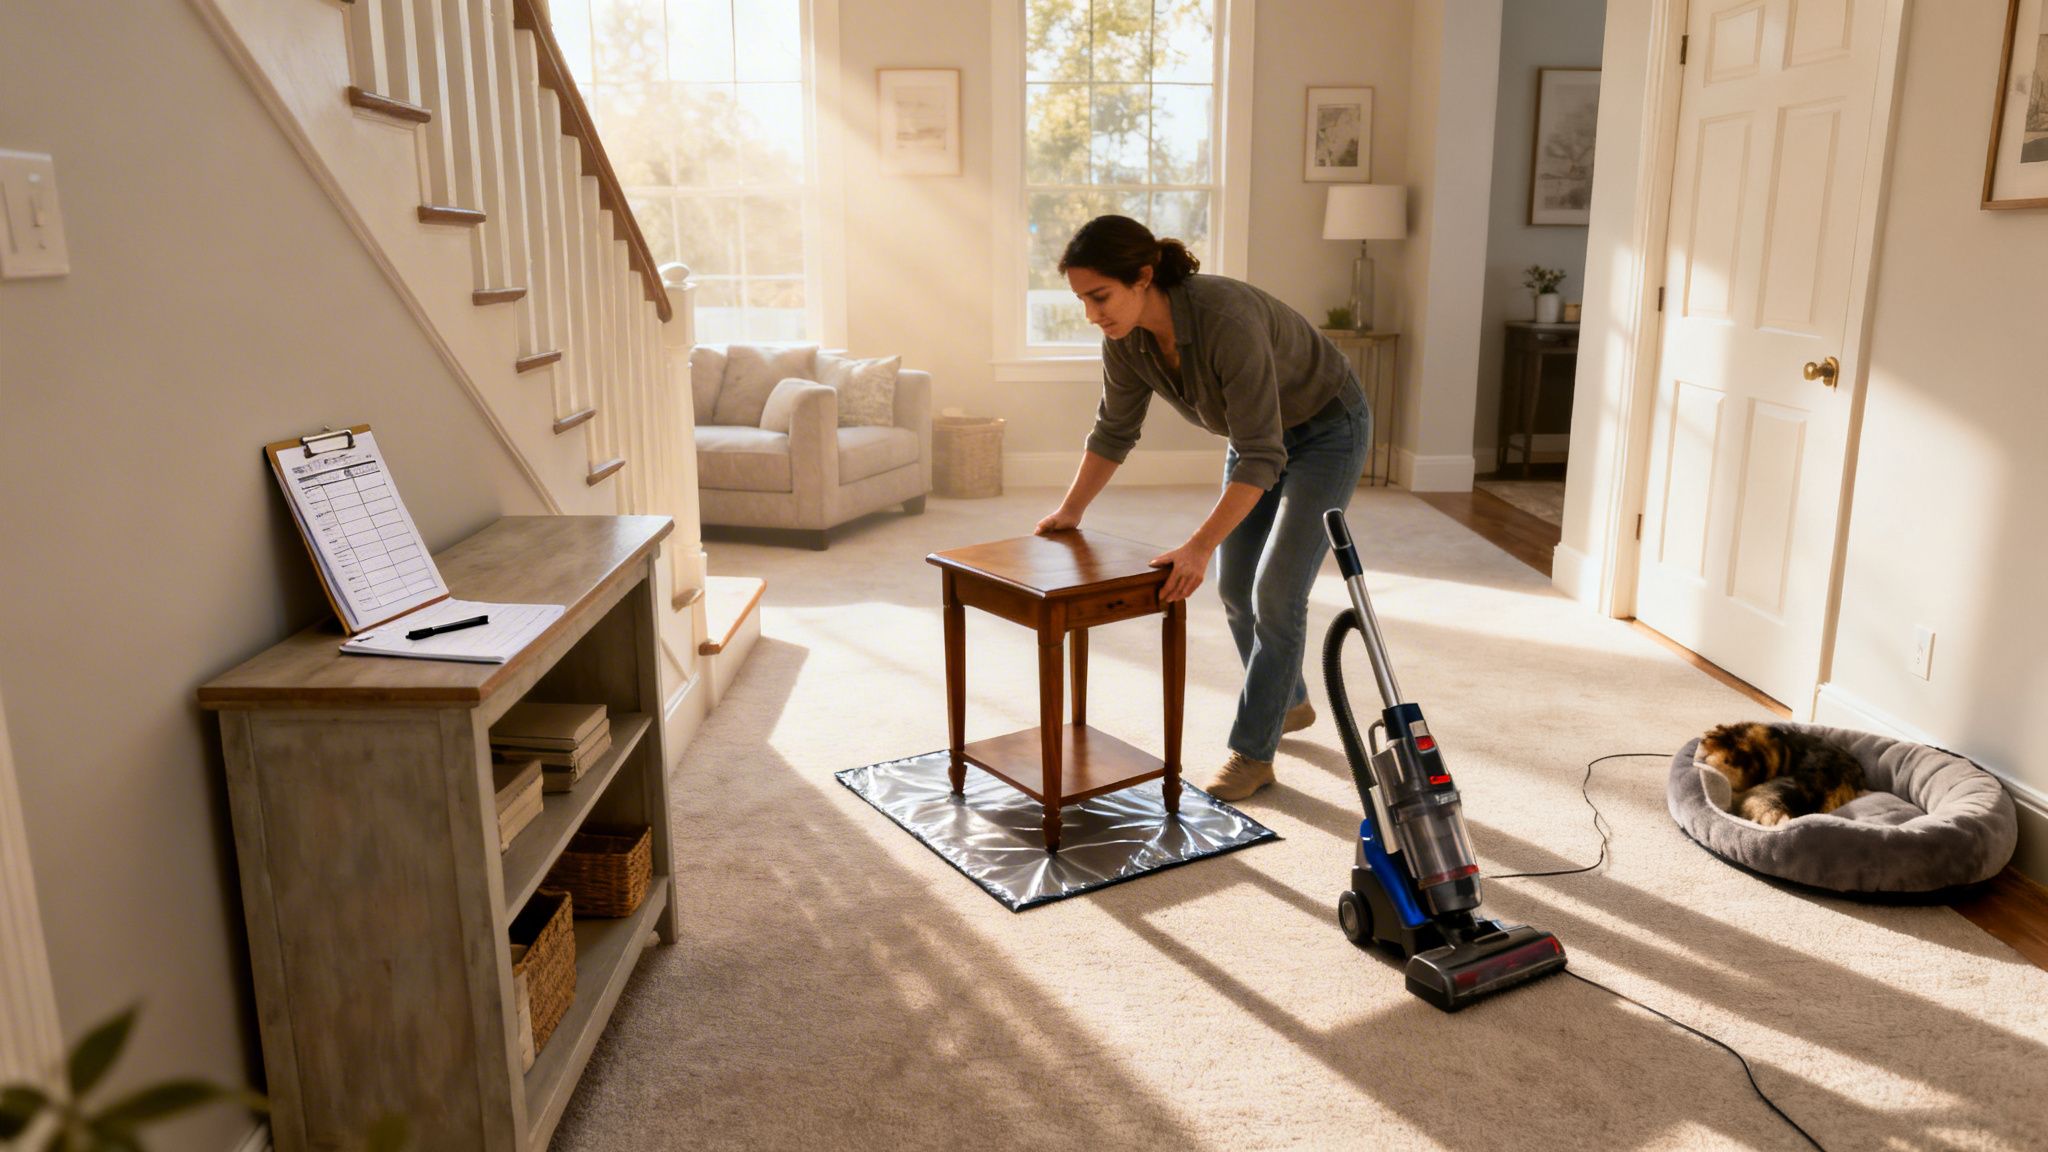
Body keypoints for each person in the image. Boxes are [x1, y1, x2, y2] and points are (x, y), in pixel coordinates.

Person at [1036, 215, 1371, 801]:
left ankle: (1253, 753)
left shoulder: (1225, 320)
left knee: (1277, 590)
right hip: (1256, 439)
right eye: (1082, 301)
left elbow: (1264, 454)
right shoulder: (1127, 339)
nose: (1092, 314)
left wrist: (1196, 545)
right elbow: (1114, 431)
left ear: (1143, 277)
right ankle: (1286, 703)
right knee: (1235, 587)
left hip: (1326, 431)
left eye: (1099, 296)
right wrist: (1071, 512)